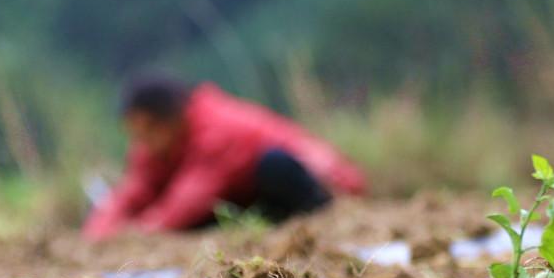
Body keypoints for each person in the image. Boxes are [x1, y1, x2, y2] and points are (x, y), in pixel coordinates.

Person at [82, 74, 367, 240]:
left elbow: (187, 201)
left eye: (145, 132)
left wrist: (136, 233)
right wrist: (99, 231)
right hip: (247, 199)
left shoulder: (218, 129)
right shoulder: (156, 144)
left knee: (275, 166)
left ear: (168, 120)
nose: (140, 143)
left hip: (314, 182)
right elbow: (133, 189)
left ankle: (316, 218)